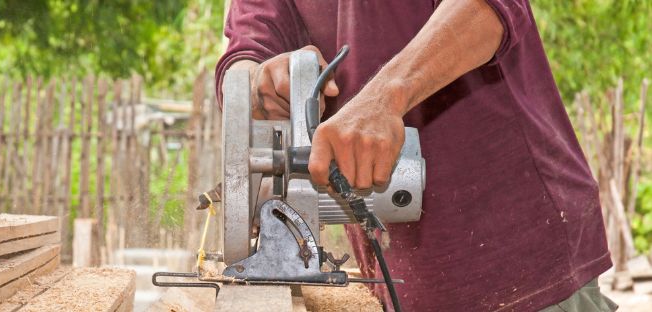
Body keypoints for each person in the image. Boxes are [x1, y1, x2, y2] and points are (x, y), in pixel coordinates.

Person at [215, 0, 616, 311]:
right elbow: (247, 49)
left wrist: (385, 97)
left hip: (518, 262)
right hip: (402, 276)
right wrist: (261, 82)